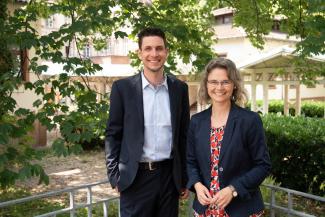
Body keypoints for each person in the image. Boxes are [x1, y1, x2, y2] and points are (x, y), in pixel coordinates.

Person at [105, 27, 190, 217]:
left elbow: (184, 136)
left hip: (169, 177)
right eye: (148, 48)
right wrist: (114, 176)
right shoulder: (123, 89)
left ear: (166, 52)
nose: (154, 54)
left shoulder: (180, 89)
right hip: (135, 178)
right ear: (140, 53)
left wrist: (184, 177)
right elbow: (113, 134)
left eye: (159, 48)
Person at [186, 58, 271, 217]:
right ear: (206, 85)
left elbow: (263, 165)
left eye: (225, 81)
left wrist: (234, 189)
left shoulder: (250, 120)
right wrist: (197, 185)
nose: (219, 87)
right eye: (213, 82)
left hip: (243, 209)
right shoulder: (196, 121)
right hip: (205, 210)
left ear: (234, 84)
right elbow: (190, 161)